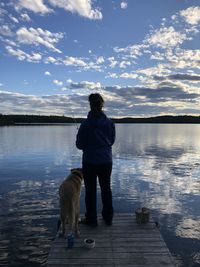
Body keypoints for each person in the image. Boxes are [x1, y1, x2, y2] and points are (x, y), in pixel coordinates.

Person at [76, 93, 115, 226]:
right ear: (102, 104)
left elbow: (79, 145)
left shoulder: (85, 124)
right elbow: (112, 141)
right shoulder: (110, 123)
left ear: (90, 105)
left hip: (90, 162)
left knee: (90, 191)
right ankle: (108, 217)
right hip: (106, 161)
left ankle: (92, 219)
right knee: (106, 189)